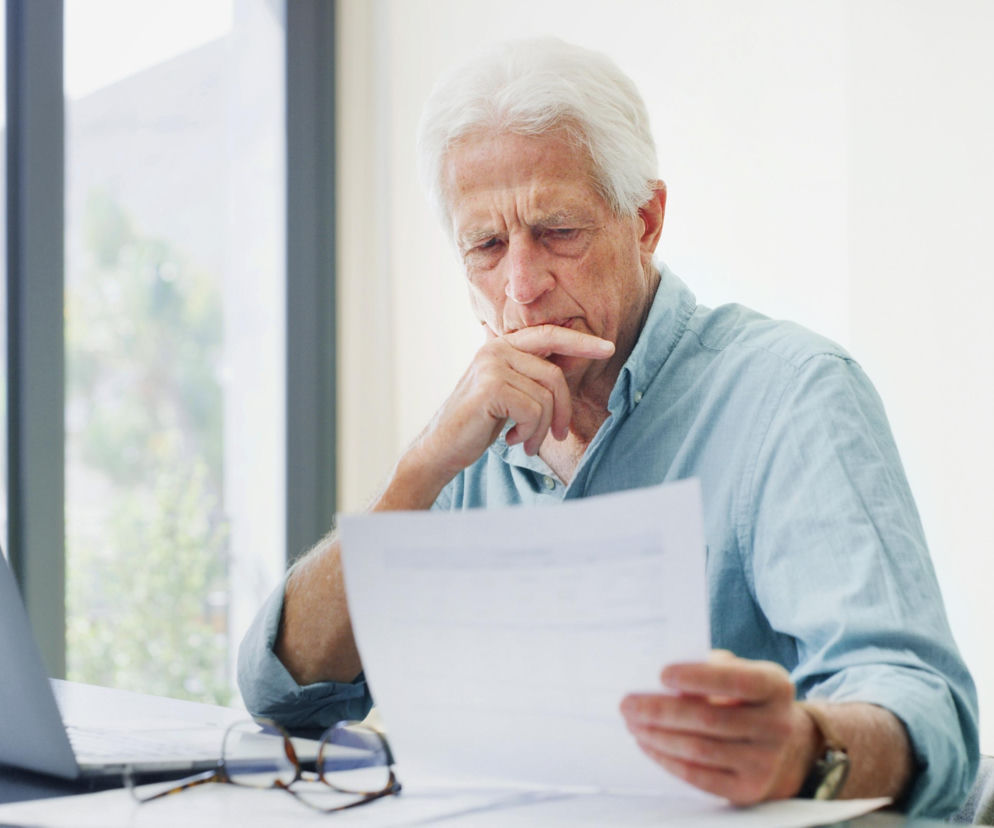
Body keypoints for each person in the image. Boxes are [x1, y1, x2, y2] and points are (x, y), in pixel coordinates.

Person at [238, 37, 978, 816]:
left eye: (558, 231)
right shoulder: (468, 443)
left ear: (646, 220)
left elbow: (929, 714)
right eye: (486, 246)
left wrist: (804, 746)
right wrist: (419, 469)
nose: (520, 288)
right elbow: (281, 697)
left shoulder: (791, 394)